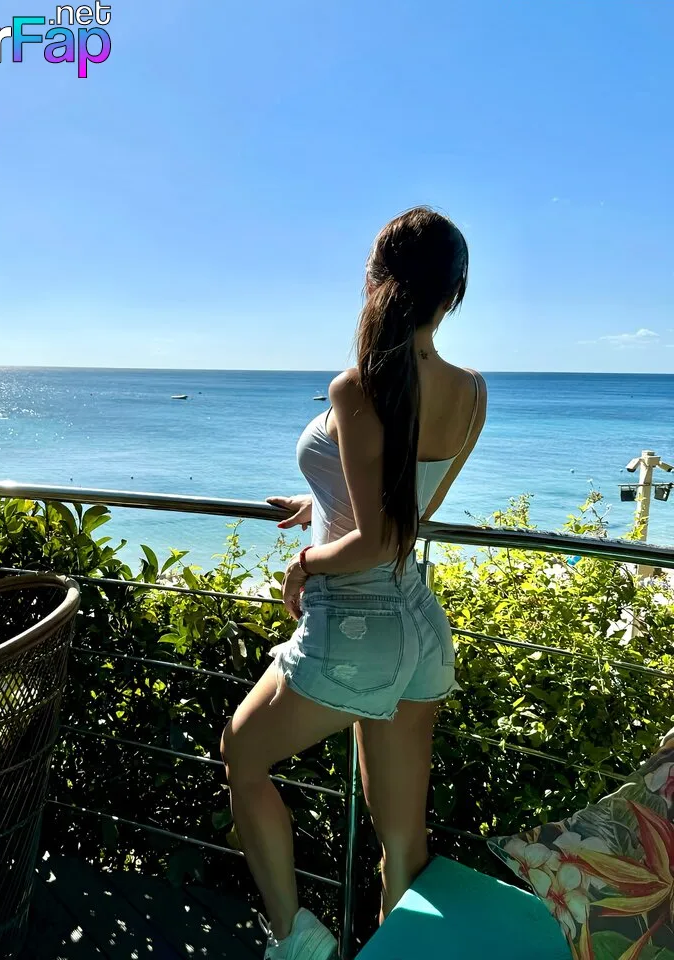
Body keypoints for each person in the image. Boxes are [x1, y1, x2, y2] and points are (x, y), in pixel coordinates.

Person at [220, 207, 487, 959]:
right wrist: (323, 503)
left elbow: (379, 538)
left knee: (241, 756)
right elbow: (411, 507)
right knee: (403, 841)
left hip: (354, 627)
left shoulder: (359, 387)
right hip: (419, 629)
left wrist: (304, 563)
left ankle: (296, 938)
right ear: (453, 294)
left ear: (374, 279)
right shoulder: (471, 391)